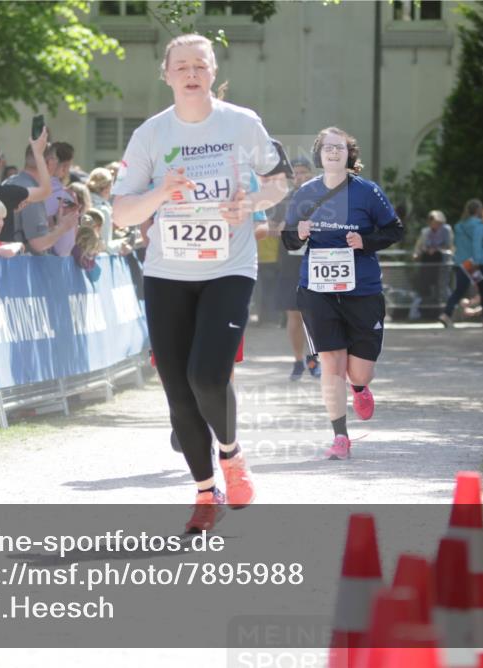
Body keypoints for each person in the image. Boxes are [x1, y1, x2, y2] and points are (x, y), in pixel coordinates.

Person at [111, 33, 290, 530]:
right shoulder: (151, 135)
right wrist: (160, 192)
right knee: (178, 394)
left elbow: (279, 181)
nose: (191, 73)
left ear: (213, 72)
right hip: (167, 274)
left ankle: (231, 456)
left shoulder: (242, 123)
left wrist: (250, 203)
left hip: (228, 268)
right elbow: (123, 211)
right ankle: (204, 492)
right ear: (166, 75)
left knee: (208, 375)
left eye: (200, 65)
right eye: (181, 66)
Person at [282, 126, 404, 460]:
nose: (333, 153)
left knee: (358, 370)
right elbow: (288, 239)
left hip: (362, 289)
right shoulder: (305, 193)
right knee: (331, 364)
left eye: (339, 148)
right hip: (317, 289)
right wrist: (299, 233)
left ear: (350, 154)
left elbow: (395, 230)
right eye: (327, 148)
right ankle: (340, 437)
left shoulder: (367, 192)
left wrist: (365, 241)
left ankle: (361, 388)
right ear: (319, 154)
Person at [271, 158, 321, 381]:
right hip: (291, 263)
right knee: (293, 314)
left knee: (313, 313)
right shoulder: (284, 200)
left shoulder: (322, 197)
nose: (300, 176)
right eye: (296, 173)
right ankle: (297, 360)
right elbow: (270, 228)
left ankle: (314, 358)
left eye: (304, 172)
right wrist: (281, 229)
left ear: (312, 174)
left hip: (316, 261)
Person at [4, 141, 78, 253]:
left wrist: (53, 226)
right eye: (54, 159)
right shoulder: (34, 192)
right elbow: (38, 243)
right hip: (23, 265)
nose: (56, 163)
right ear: (48, 163)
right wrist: (64, 227)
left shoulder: (9, 182)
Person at [440, 199, 483, 328]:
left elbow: (457, 244)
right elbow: (477, 243)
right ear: (479, 210)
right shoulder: (479, 225)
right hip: (476, 263)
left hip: (462, 262)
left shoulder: (459, 225)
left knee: (459, 290)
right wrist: (476, 260)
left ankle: (446, 314)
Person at [412, 209, 453, 311]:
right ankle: (429, 311)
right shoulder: (425, 232)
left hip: (442, 264)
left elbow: (449, 246)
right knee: (427, 286)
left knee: (443, 286)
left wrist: (436, 249)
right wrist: (419, 252)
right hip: (428, 264)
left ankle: (448, 310)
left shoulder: (446, 230)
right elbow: (419, 247)